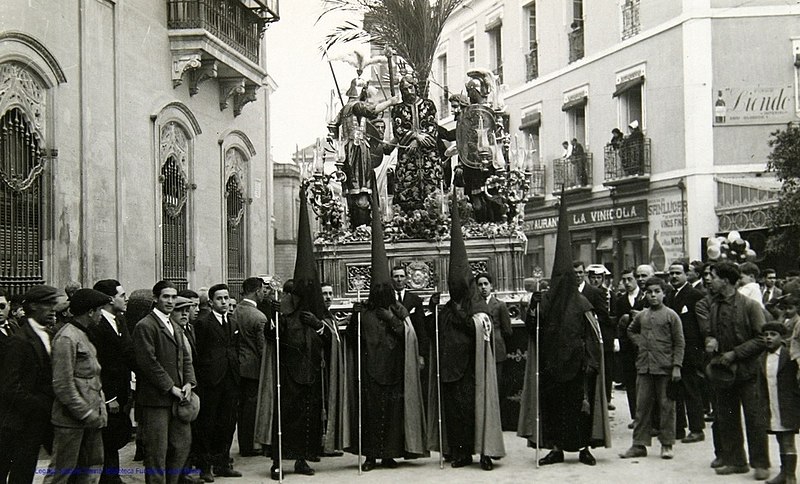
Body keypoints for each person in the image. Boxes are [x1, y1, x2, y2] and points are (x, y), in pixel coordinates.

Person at [519, 193, 609, 467]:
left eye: (564, 278)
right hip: (550, 366)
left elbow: (594, 336)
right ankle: (556, 448)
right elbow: (533, 328)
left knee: (580, 410)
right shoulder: (546, 302)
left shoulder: (582, 303)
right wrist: (533, 307)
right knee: (554, 410)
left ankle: (583, 448)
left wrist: (591, 363)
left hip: (578, 368)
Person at [427, 191, 505, 471]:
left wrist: (463, 316)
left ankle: (483, 452)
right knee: (456, 416)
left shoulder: (477, 306)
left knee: (474, 411)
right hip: (450, 373)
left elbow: (481, 328)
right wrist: (433, 311)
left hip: (472, 373)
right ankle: (459, 453)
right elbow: (435, 334)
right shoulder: (447, 308)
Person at [703, 262, 769, 479]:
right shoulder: (714, 306)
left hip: (748, 372)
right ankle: (736, 461)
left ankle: (760, 463)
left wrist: (735, 353)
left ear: (726, 280)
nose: (709, 280)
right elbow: (712, 332)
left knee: (754, 418)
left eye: (713, 276)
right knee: (727, 417)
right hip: (724, 373)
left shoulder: (750, 306)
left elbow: (762, 338)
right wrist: (711, 341)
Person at [44, 288, 112, 484]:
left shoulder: (84, 334)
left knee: (91, 470)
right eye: (99, 310)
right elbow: (63, 385)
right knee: (61, 473)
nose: (101, 315)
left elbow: (93, 378)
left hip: (92, 418)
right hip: (71, 421)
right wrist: (85, 413)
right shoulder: (67, 338)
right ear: (90, 312)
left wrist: (98, 412)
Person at [133, 280, 196, 484]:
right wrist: (171, 387)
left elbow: (185, 357)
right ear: (155, 298)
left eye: (173, 297)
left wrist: (188, 383)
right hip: (156, 400)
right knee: (156, 453)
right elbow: (148, 363)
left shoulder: (174, 325)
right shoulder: (146, 326)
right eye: (165, 297)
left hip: (179, 399)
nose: (170, 301)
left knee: (181, 446)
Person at [620, 277, 684, 460]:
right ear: (645, 294)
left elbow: (680, 343)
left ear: (664, 293)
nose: (653, 295)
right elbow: (630, 330)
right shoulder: (642, 315)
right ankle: (639, 445)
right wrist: (639, 342)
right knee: (642, 408)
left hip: (665, 368)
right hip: (644, 368)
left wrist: (677, 366)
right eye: (649, 292)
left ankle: (667, 444)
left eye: (657, 292)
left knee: (666, 407)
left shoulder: (671, 315)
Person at [0, 285, 58, 484]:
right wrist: (40, 405)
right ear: (33, 306)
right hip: (17, 423)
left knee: (26, 471)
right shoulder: (20, 340)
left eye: (53, 303)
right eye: (47, 304)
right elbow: (11, 386)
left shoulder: (49, 336)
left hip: (36, 422)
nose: (53, 309)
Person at [330, 77, 399, 228]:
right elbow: (372, 111)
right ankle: (363, 225)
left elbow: (332, 126)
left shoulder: (345, 108)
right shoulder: (356, 105)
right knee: (361, 189)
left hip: (349, 149)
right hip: (358, 149)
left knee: (357, 189)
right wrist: (390, 102)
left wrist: (339, 145)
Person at [88, 280, 137, 484]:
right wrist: (109, 399)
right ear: (109, 299)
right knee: (107, 439)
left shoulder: (120, 320)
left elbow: (127, 353)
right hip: (109, 394)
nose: (125, 299)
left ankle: (112, 477)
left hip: (123, 388)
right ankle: (110, 479)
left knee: (115, 436)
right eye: (121, 295)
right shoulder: (97, 325)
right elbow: (99, 365)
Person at [194, 284, 242, 481]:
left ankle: (222, 463)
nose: (224, 302)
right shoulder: (203, 323)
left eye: (226, 298)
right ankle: (205, 467)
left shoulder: (233, 322)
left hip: (230, 378)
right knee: (207, 423)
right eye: (219, 299)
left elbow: (235, 348)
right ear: (211, 302)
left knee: (227, 422)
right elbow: (198, 352)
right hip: (211, 381)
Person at [390, 74, 443, 215]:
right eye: (405, 89)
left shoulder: (428, 105)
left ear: (415, 87)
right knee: (406, 187)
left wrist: (419, 140)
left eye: (410, 88)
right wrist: (415, 136)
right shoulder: (397, 109)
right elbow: (398, 129)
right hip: (408, 156)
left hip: (428, 155)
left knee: (432, 186)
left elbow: (433, 126)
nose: (409, 92)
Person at [665, 261, 706, 444]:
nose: (674, 276)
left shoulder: (695, 295)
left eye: (678, 273)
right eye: (671, 273)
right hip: (673, 350)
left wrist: (699, 352)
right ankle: (678, 428)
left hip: (690, 350)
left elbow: (700, 326)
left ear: (686, 274)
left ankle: (697, 429)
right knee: (676, 390)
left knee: (691, 390)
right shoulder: (669, 295)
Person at [760, 322, 799, 484]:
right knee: (780, 439)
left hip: (787, 405)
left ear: (781, 337)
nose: (769, 337)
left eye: (773, 334)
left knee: (788, 440)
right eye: (766, 334)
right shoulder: (762, 358)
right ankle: (784, 472)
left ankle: (791, 476)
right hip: (772, 404)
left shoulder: (789, 356)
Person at [233, 277, 267, 458]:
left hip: (237, 366)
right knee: (251, 408)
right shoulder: (259, 317)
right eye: (262, 290)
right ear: (257, 291)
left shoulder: (235, 311)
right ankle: (250, 446)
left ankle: (244, 444)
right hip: (253, 368)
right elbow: (262, 348)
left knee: (241, 407)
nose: (264, 294)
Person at [615, 266, 648, 427]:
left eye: (630, 279)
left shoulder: (645, 298)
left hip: (643, 346)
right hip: (627, 347)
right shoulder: (620, 300)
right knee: (630, 381)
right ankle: (636, 417)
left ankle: (646, 417)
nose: (627, 283)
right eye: (624, 280)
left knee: (645, 382)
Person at [391, 265, 428, 405]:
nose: (399, 280)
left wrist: (421, 355)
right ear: (391, 279)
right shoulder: (387, 299)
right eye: (396, 276)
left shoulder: (414, 300)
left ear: (406, 278)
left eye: (401, 276)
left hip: (411, 348)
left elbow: (421, 329)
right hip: (393, 351)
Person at [476, 272, 512, 386]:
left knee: (496, 381)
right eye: (480, 284)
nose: (483, 287)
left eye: (486, 284)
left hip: (496, 347)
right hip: (480, 347)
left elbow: (507, 330)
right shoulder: (474, 306)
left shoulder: (500, 305)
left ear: (491, 286)